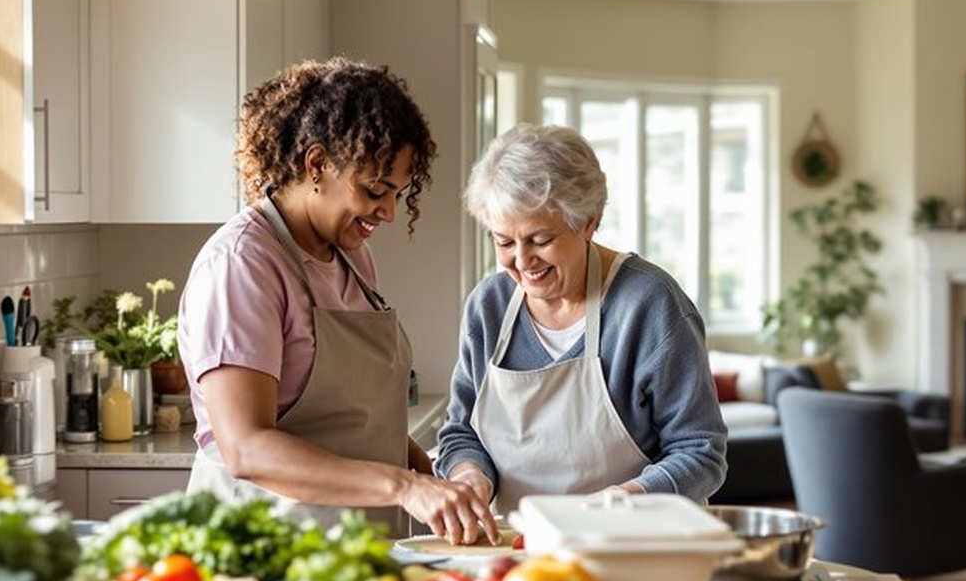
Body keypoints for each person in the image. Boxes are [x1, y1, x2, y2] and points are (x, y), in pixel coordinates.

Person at [179, 58, 499, 545]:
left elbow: (357, 424)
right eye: (375, 189)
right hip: (269, 551)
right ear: (316, 164)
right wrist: (404, 486)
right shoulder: (242, 265)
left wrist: (435, 477)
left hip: (355, 545)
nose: (389, 212)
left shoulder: (351, 258)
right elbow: (246, 448)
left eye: (398, 193)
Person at [434, 123, 728, 516]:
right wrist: (470, 476)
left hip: (633, 539)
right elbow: (461, 433)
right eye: (504, 241)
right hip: (519, 548)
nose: (522, 262)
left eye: (540, 240)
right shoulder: (488, 307)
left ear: (588, 221)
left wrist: (620, 503)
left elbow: (701, 452)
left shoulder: (649, 306)